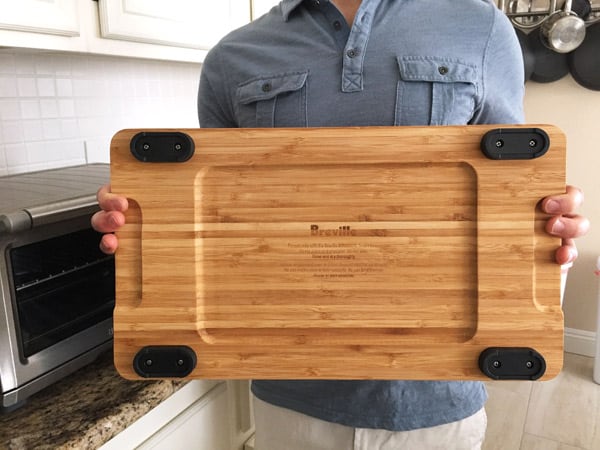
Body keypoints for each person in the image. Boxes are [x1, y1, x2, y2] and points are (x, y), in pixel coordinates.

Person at [92, 0, 590, 448]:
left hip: (436, 407)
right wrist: (145, 226)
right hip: (288, 404)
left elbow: (510, 190)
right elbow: (216, 222)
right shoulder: (233, 56)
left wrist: (546, 216)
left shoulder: (481, 27)